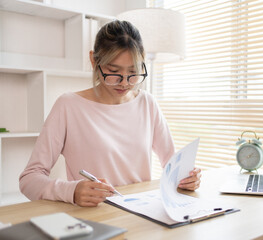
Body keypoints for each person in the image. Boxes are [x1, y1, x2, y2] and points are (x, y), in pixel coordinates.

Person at [19, 20, 201, 207]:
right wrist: (71, 191)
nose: (124, 82)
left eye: (133, 72)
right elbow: (29, 179)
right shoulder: (68, 106)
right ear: (94, 60)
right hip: (95, 221)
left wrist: (186, 178)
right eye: (113, 71)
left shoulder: (147, 103)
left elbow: (173, 167)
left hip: (143, 216)